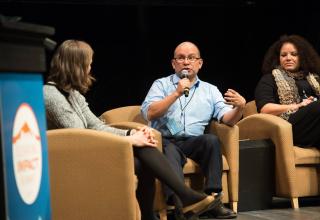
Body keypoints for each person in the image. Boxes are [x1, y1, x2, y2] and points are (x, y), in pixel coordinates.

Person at [43, 39, 221, 220]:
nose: (89, 69)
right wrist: (128, 140)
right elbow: (79, 133)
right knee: (143, 154)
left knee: (144, 158)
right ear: (75, 66)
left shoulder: (74, 95)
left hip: (88, 150)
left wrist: (132, 133)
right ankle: (184, 195)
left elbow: (95, 126)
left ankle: (156, 212)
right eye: (88, 64)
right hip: (71, 158)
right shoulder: (50, 94)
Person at [141, 41, 245, 219]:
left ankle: (213, 200)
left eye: (191, 58)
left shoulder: (210, 90)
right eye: (181, 58)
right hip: (166, 140)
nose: (186, 62)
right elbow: (149, 113)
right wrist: (176, 94)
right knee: (169, 151)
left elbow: (227, 119)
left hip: (192, 142)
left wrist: (240, 108)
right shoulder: (161, 85)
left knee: (211, 140)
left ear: (200, 63)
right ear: (174, 64)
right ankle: (178, 205)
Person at [255, 34, 320, 148]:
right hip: (287, 126)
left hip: (313, 126)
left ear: (302, 57)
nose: (288, 58)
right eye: (283, 55)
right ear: (278, 58)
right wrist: (298, 105)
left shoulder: (314, 78)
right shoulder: (269, 79)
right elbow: (265, 109)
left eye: (294, 54)